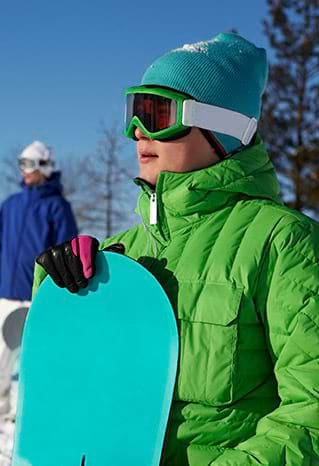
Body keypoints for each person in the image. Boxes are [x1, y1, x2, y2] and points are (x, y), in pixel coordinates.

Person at [35, 33, 319, 465]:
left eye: (157, 113)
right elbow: (70, 388)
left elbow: (309, 416)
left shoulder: (281, 243)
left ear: (220, 129)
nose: (137, 132)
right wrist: (61, 289)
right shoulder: (120, 254)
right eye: (134, 113)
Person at [0, 140, 78, 463]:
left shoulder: (57, 207)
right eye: (22, 163)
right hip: (5, 294)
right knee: (2, 360)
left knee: (33, 361)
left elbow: (69, 251)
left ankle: (29, 417)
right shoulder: (11, 204)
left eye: (31, 164)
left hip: (37, 299)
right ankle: (2, 414)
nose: (25, 170)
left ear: (45, 166)